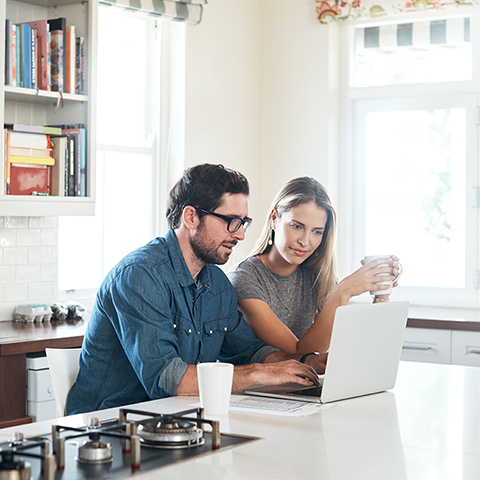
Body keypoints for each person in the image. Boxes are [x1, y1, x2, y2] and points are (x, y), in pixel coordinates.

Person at [67, 164, 327, 415]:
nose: (240, 235)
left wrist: (305, 362)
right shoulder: (139, 276)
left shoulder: (216, 284)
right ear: (191, 217)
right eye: (230, 221)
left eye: (243, 222)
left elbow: (249, 351)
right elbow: (168, 380)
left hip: (176, 420)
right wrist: (259, 373)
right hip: (108, 426)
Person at [228, 177, 401, 355]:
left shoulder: (316, 276)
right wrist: (343, 291)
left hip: (305, 382)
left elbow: (352, 345)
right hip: (260, 382)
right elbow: (299, 354)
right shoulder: (244, 278)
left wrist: (381, 294)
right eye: (296, 226)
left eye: (317, 231)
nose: (305, 241)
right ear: (274, 218)